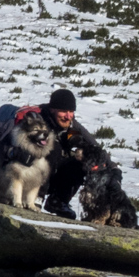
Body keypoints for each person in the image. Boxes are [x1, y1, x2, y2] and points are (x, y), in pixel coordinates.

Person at [36, 88, 107, 218]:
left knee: (81, 161)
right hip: (28, 178)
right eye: (64, 111)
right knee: (53, 149)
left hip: (51, 176)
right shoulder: (37, 124)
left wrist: (110, 167)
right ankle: (36, 197)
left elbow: (88, 144)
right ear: (52, 109)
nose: (68, 116)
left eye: (71, 111)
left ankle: (57, 201)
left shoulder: (70, 126)